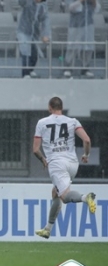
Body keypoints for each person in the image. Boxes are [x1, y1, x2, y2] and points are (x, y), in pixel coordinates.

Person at [33, 96, 96, 239]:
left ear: (50, 107)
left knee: (65, 196)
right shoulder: (72, 121)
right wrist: (86, 154)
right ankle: (47, 229)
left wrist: (43, 159)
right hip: (73, 163)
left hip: (56, 163)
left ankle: (86, 197)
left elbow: (35, 149)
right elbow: (86, 140)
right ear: (61, 107)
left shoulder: (42, 123)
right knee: (55, 193)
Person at [63, 0, 101, 78]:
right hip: (76, 25)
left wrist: (94, 1)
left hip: (88, 25)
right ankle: (68, 68)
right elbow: (70, 7)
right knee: (72, 46)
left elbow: (97, 8)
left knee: (88, 47)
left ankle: (85, 68)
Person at [17, 0, 50, 78]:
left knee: (34, 54)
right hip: (23, 30)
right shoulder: (28, 1)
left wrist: (45, 35)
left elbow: (45, 22)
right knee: (25, 52)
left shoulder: (44, 7)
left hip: (34, 33)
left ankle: (30, 70)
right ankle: (25, 74)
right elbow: (21, 1)